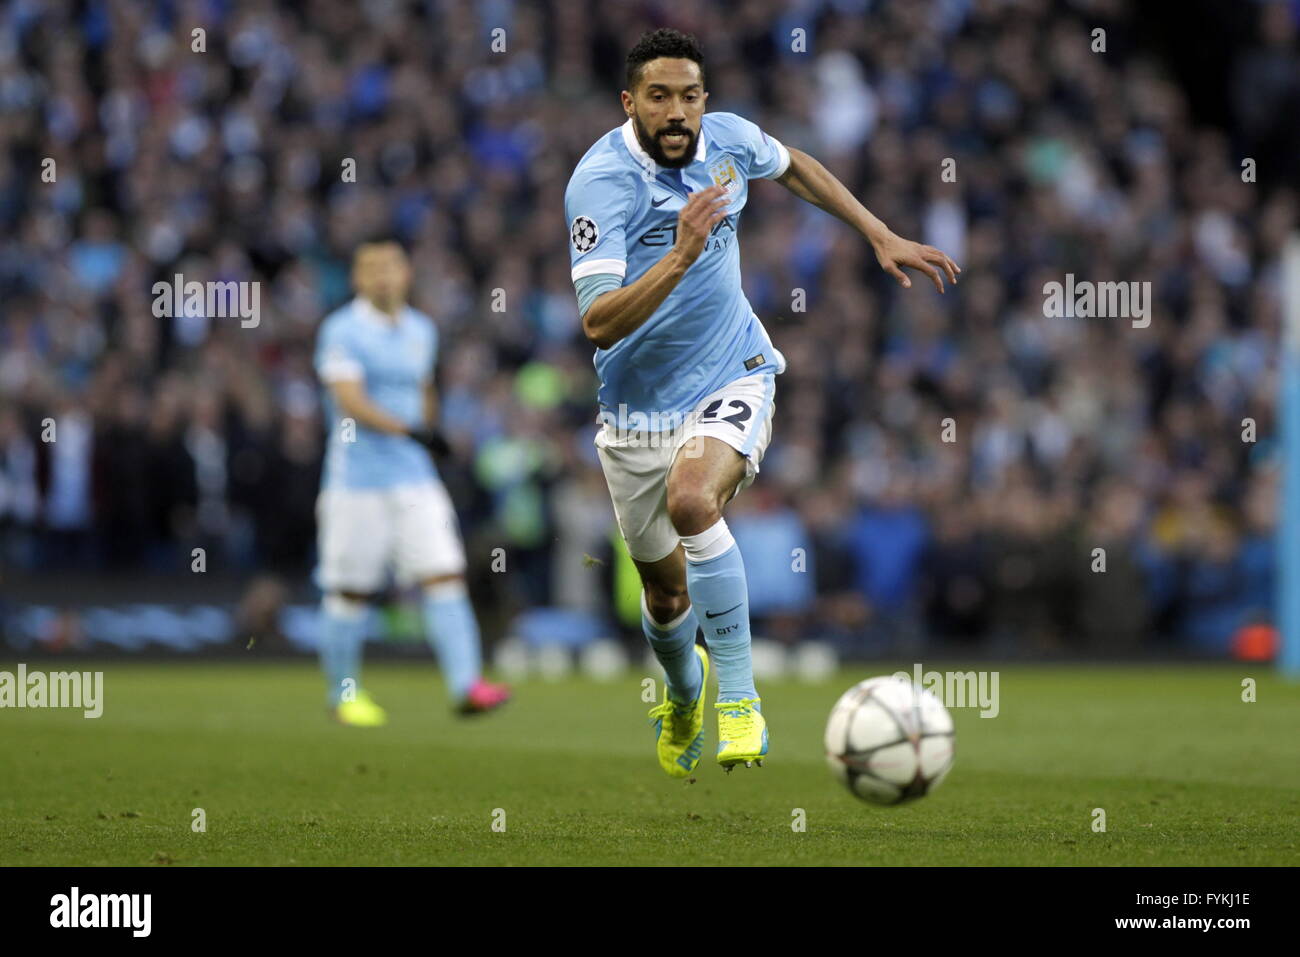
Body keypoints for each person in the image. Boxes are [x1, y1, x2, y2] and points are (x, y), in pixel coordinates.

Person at [565, 29, 958, 776]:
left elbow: (796, 168)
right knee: (663, 592)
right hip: (635, 411)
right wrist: (680, 254)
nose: (677, 112)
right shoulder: (600, 183)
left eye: (689, 95)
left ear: (704, 99)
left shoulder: (730, 140)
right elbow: (598, 319)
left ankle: (739, 699)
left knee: (693, 502)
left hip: (733, 370)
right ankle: (686, 690)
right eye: (659, 97)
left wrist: (877, 231)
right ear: (630, 104)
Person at [313, 239, 511, 726]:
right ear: (357, 279)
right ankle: (344, 696)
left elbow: (424, 389)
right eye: (371, 268)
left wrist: (430, 432)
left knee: (444, 573)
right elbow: (348, 400)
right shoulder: (342, 329)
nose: (382, 276)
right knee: (350, 591)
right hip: (356, 480)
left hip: (414, 478)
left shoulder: (421, 329)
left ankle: (467, 686)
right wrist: (411, 431)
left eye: (391, 267)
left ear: (406, 274)